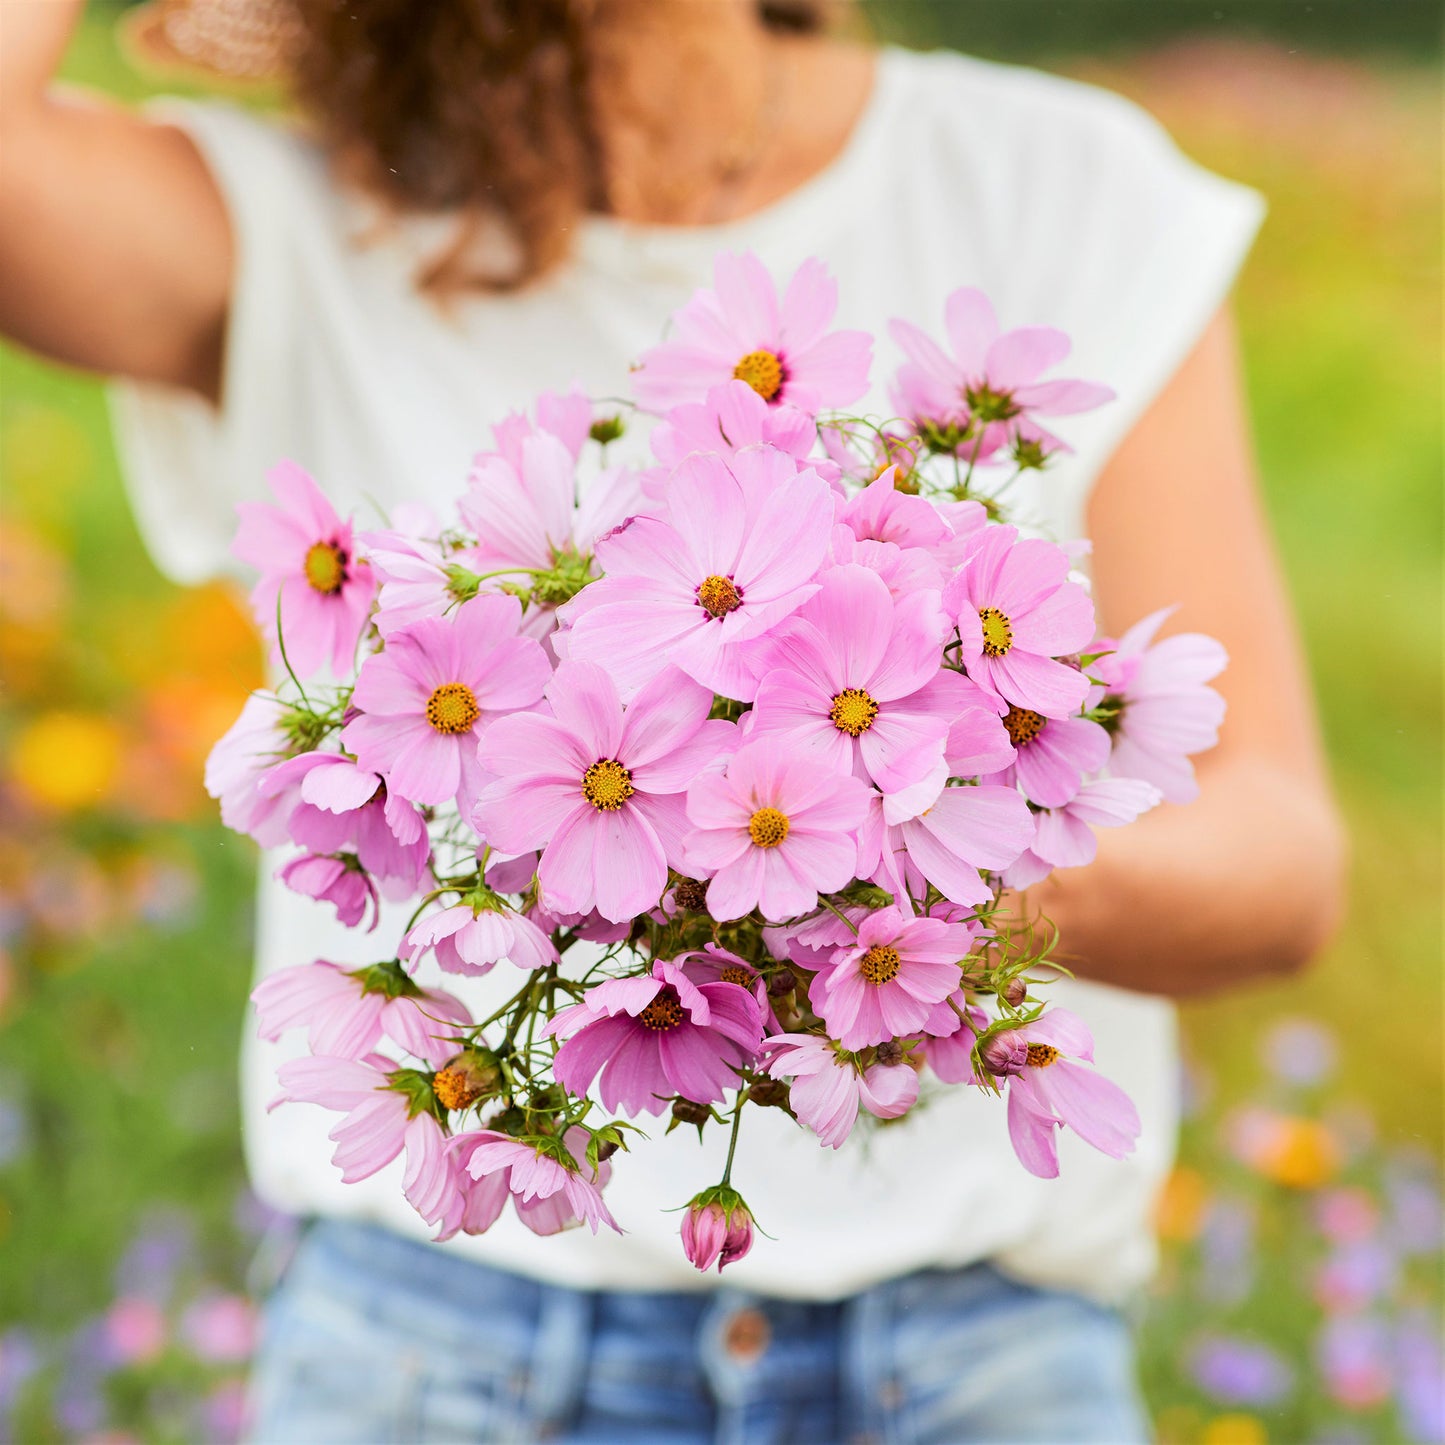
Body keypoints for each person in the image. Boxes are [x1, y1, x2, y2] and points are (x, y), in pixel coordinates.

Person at [0, 2, 1346, 1439]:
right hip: (444, 1347)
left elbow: (1275, 861)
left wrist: (911, 902)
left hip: (971, 1360)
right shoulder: (294, 221)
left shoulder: (1052, 185)